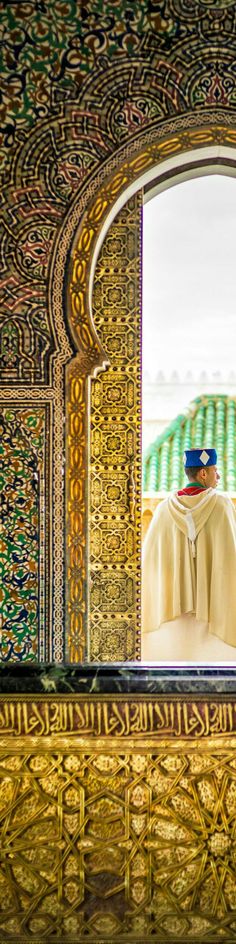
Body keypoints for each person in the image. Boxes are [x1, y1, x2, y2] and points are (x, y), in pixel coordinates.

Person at [142, 447, 236, 662]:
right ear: (203, 474)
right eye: (214, 470)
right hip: (215, 616)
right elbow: (232, 556)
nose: (218, 476)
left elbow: (151, 560)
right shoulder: (222, 505)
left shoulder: (165, 508)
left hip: (173, 617)